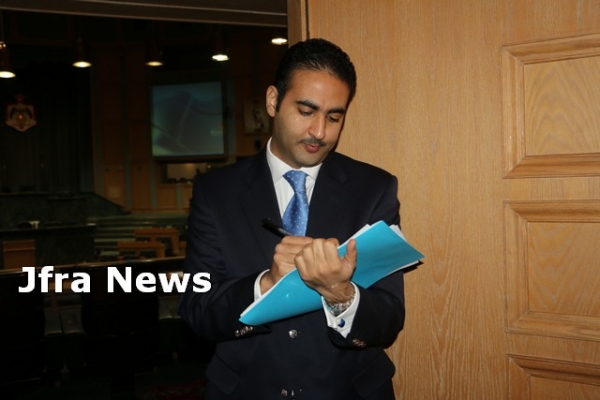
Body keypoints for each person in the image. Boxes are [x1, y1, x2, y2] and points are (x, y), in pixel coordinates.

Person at [179, 38, 405, 400]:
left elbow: (389, 319)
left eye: (334, 117)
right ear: (273, 101)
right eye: (306, 111)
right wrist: (266, 284)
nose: (320, 131)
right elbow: (197, 310)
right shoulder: (215, 192)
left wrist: (341, 294)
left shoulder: (374, 188)